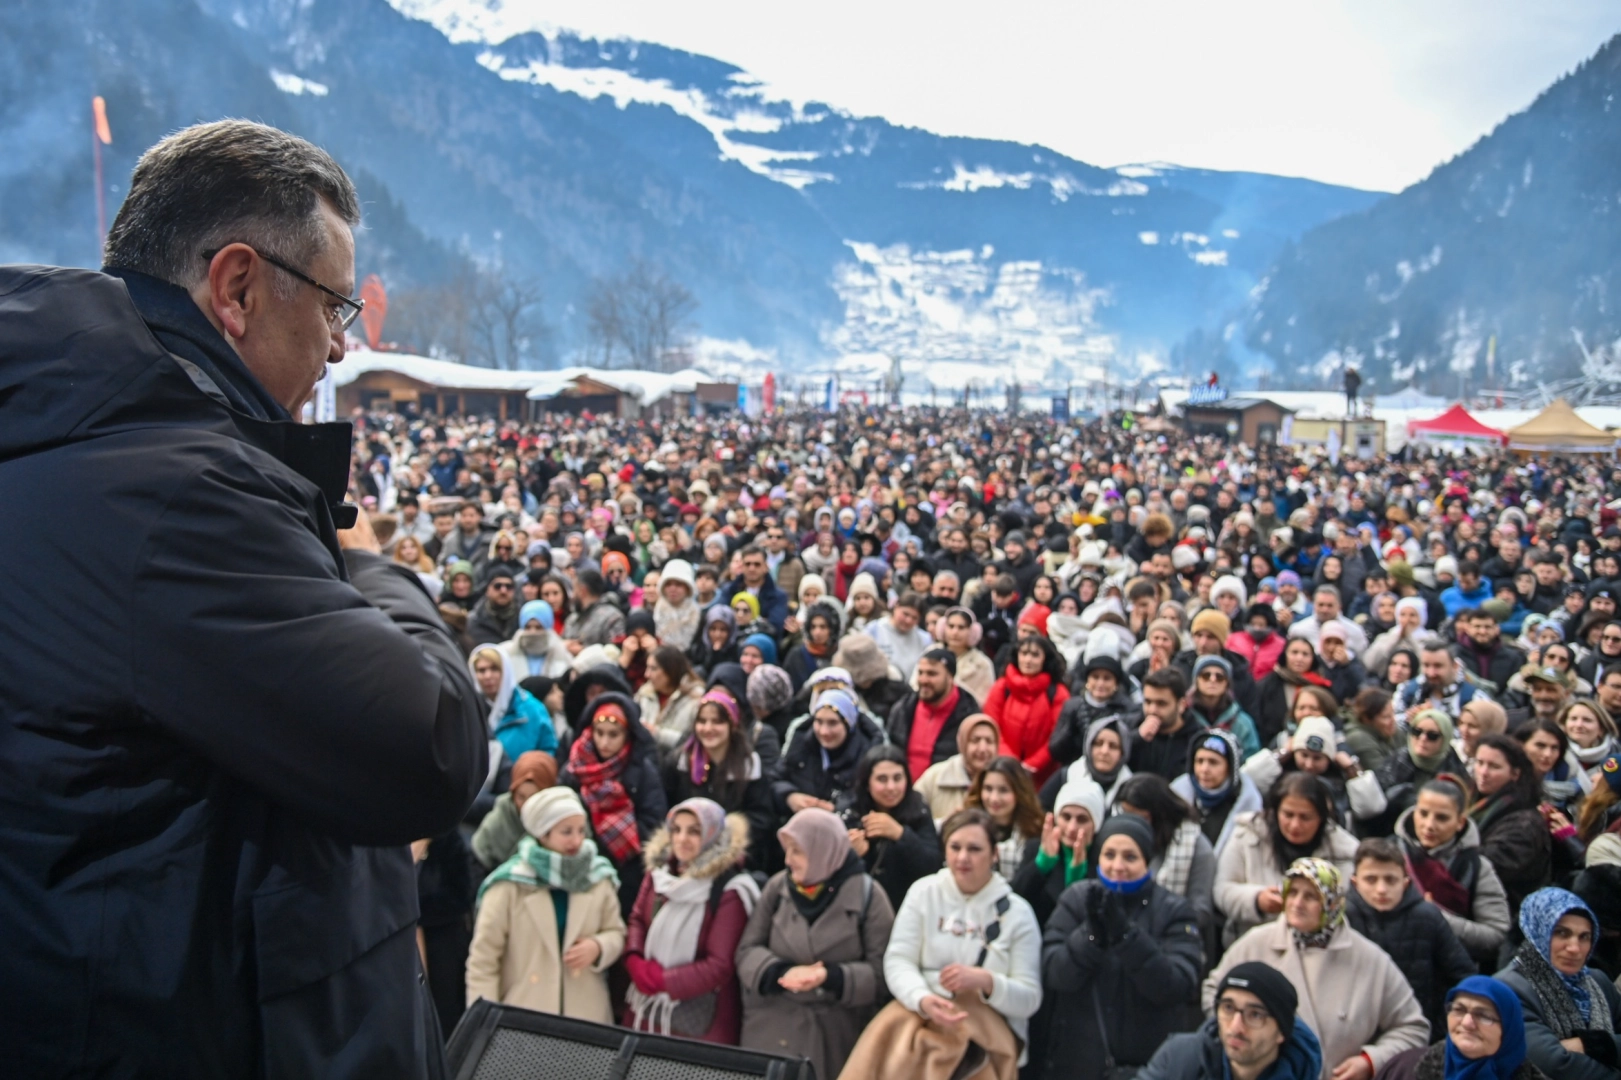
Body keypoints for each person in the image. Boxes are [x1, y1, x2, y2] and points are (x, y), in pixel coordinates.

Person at [0, 120, 490, 1077]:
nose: (342, 349)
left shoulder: (63, 435)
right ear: (237, 287)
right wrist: (362, 560)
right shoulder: (173, 494)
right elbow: (426, 745)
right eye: (333, 307)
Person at [837, 808, 1042, 1080]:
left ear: (994, 854)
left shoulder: (1018, 913)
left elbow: (1030, 998)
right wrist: (923, 998)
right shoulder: (923, 892)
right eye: (955, 847)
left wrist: (987, 981)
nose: (962, 858)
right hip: (916, 1018)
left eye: (975, 849)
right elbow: (899, 960)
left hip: (984, 1035)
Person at [1205, 858, 1428, 1080]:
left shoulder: (1369, 959)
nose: (1297, 903)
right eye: (1292, 893)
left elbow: (1413, 1027)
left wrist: (1370, 1061)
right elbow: (1213, 993)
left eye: (1310, 896)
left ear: (1332, 903)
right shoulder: (1255, 944)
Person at [1038, 814, 1204, 1080]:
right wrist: (1091, 936)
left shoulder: (1174, 910)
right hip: (1078, 1059)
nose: (1118, 866)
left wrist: (1126, 936)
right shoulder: (1077, 900)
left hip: (1147, 1063)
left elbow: (1177, 985)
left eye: (1130, 857)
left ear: (1146, 861)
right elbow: (1055, 973)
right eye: (1109, 854)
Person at [736, 809, 896, 1080]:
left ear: (824, 850)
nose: (788, 860)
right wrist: (781, 972)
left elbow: (883, 973)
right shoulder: (777, 888)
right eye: (787, 851)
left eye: (797, 851)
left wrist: (830, 977)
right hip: (772, 1029)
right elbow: (746, 951)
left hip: (834, 1036)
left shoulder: (869, 895)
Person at [465, 787, 626, 1021]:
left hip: (586, 1017)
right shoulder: (508, 884)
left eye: (581, 830)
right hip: (522, 1017)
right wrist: (483, 1021)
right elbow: (484, 962)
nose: (577, 840)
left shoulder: (598, 877)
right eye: (566, 831)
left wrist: (598, 947)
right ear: (543, 833)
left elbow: (616, 932)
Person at [622, 799, 760, 1043]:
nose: (682, 838)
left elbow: (719, 965)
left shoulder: (729, 890)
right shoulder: (660, 873)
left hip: (700, 1023)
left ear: (712, 834)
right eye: (676, 829)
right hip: (646, 1010)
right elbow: (637, 921)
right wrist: (635, 961)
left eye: (694, 831)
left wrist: (661, 981)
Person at [1345, 838, 1479, 1038]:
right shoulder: (1342, 919)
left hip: (1419, 1031)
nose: (1381, 889)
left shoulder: (1427, 917)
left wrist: (1443, 1026)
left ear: (1405, 882)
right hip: (1356, 1033)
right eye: (1371, 879)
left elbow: (1463, 976)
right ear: (1355, 882)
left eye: (1390, 880)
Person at [1214, 773, 1359, 947]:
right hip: (1252, 944)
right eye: (1288, 815)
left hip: (1319, 948)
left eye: (1305, 817)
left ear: (1321, 818)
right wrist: (1257, 900)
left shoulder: (1343, 851)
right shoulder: (1247, 835)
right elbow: (1223, 889)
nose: (1295, 825)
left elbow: (1347, 903)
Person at [1495, 888, 1621, 1080]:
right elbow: (1553, 1065)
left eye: (1584, 937)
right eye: (1561, 933)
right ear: (1539, 932)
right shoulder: (1508, 988)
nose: (1574, 948)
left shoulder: (1598, 982)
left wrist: (1589, 1044)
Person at [560, 694, 669, 914]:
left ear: (627, 735)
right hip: (579, 862)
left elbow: (654, 820)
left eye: (613, 735)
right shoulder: (574, 770)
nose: (605, 742)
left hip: (628, 870)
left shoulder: (642, 772)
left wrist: (620, 836)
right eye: (599, 733)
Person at [1392, 776, 1512, 965]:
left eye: (1442, 818)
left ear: (1460, 822)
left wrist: (1438, 917)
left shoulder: (1475, 867)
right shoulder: (1389, 854)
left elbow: (1496, 933)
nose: (1429, 825)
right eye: (1423, 813)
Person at [1138, 962, 1324, 1080]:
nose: (1236, 1027)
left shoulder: (1301, 1072)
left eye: (1255, 1015)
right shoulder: (1180, 1058)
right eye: (1228, 1008)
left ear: (1281, 1032)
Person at [661, 688, 775, 869]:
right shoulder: (678, 763)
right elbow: (664, 807)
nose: (708, 728)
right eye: (702, 721)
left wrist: (724, 833)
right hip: (685, 851)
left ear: (732, 725)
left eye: (717, 722)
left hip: (732, 859)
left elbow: (761, 818)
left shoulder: (748, 765)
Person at [1376, 975, 1549, 1080]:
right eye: (1459, 1010)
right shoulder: (1404, 1069)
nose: (1467, 1023)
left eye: (1484, 1016)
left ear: (1509, 1031)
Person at [839, 745, 944, 911]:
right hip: (861, 907)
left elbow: (932, 866)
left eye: (897, 778)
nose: (891, 787)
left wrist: (900, 834)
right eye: (882, 779)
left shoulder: (919, 810)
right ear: (867, 783)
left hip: (909, 905)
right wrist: (855, 855)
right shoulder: (849, 812)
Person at [1468, 735, 1552, 921]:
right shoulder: (1470, 802)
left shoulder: (1524, 823)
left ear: (1515, 773)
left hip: (1505, 916)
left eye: (1494, 766)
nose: (1483, 772)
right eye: (1479, 763)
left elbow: (1488, 867)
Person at [1013, 775, 1106, 927]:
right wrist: (1040, 866)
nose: (1072, 828)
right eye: (1066, 817)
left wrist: (1077, 881)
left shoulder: (1102, 857)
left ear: (1095, 824)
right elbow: (1015, 900)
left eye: (1082, 819)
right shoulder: (1036, 848)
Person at [776, 687, 882, 814]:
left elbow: (870, 797)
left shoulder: (866, 753)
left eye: (833, 723)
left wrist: (837, 809)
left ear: (849, 724)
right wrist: (790, 796)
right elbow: (776, 778)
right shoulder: (801, 744)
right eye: (819, 722)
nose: (824, 731)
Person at [985, 634, 1070, 786]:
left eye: (1035, 655)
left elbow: (1056, 736)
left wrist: (1031, 765)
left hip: (1042, 777)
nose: (1028, 660)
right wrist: (1011, 763)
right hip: (1003, 771)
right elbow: (992, 728)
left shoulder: (1058, 693)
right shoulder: (1002, 687)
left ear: (1045, 659)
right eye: (1024, 654)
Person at [889, 648, 984, 782]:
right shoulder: (903, 709)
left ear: (950, 677)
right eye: (920, 673)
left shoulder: (968, 715)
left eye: (932, 674)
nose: (923, 680)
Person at [1172, 729, 1265, 859]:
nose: (1204, 769)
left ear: (1230, 767)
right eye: (1199, 761)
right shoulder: (1176, 795)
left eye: (1213, 762)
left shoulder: (1247, 802)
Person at [471, 750, 560, 873]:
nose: (526, 805)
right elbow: (478, 862)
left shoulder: (563, 818)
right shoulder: (501, 815)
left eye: (534, 797)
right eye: (521, 797)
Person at [1048, 654, 1143, 769]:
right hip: (1074, 769)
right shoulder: (1073, 706)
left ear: (1116, 684)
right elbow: (1055, 750)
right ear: (1087, 680)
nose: (1100, 683)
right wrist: (1070, 728)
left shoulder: (1128, 710)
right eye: (1095, 677)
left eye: (1107, 678)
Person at [966, 755, 1046, 880]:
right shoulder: (966, 826)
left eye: (1003, 790)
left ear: (1019, 793)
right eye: (988, 789)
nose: (994, 798)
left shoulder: (1035, 832)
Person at [917, 713, 1003, 822]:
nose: (982, 749)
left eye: (989, 741)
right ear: (962, 743)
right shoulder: (935, 777)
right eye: (975, 740)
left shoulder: (1008, 779)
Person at [1043, 712, 1136, 813]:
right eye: (1098, 743)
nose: (1104, 751)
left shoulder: (1131, 787)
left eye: (1113, 746)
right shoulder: (1066, 776)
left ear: (1123, 752)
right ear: (1089, 746)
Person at [1132, 668, 1212, 781]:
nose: (1152, 710)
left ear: (1181, 705)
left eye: (1161, 704)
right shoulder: (1133, 726)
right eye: (1148, 702)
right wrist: (1137, 737)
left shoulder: (1197, 739)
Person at [634, 644, 707, 752]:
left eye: (653, 669)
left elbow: (693, 739)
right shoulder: (644, 693)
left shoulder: (695, 699)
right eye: (647, 667)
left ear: (670, 670)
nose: (647, 674)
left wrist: (656, 734)